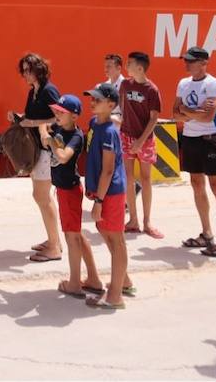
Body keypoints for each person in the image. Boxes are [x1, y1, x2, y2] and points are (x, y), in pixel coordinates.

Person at [173, 46, 216, 257]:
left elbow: (208, 117)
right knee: (197, 185)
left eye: (191, 60)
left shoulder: (214, 85)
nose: (186, 63)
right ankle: (206, 233)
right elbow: (175, 113)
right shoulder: (183, 84)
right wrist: (194, 112)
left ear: (204, 63)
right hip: (190, 138)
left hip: (211, 139)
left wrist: (187, 112)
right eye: (186, 60)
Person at [47, 93, 103, 298]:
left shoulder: (76, 136)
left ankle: (74, 283)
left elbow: (62, 157)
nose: (57, 114)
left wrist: (51, 141)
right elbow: (45, 128)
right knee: (77, 235)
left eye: (62, 112)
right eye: (57, 111)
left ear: (74, 116)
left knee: (71, 239)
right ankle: (94, 279)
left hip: (69, 191)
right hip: (63, 190)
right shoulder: (59, 128)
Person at [83, 83, 132, 309]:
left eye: (98, 100)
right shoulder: (95, 123)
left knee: (116, 238)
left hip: (111, 192)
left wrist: (99, 202)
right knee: (106, 232)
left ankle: (115, 297)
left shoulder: (110, 132)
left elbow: (109, 169)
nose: (93, 102)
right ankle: (125, 280)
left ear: (111, 105)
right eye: (92, 98)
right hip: (101, 191)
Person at [12, 53, 62, 263]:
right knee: (41, 195)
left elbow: (58, 117)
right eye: (23, 70)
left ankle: (54, 246)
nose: (25, 74)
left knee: (42, 196)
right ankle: (53, 240)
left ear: (38, 69)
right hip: (36, 149)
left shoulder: (49, 90)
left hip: (46, 148)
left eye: (28, 70)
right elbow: (33, 116)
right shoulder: (34, 91)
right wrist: (20, 118)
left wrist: (31, 124)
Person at [119, 50, 164, 238]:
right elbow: (122, 107)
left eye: (129, 63)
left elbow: (154, 118)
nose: (126, 66)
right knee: (128, 177)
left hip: (144, 139)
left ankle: (147, 221)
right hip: (126, 135)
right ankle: (133, 219)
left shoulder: (152, 90)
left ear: (139, 68)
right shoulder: (124, 85)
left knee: (145, 179)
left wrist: (140, 140)